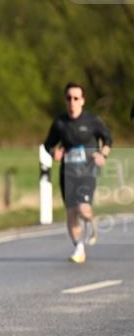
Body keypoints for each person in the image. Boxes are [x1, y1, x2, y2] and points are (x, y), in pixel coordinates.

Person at [42, 82, 112, 263]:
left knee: (84, 209)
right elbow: (48, 144)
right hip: (68, 173)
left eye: (76, 98)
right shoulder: (60, 123)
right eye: (69, 98)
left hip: (88, 172)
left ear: (82, 100)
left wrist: (103, 154)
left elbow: (108, 138)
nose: (72, 102)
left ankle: (90, 223)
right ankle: (79, 247)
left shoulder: (92, 121)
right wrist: (53, 152)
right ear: (65, 101)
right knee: (71, 212)